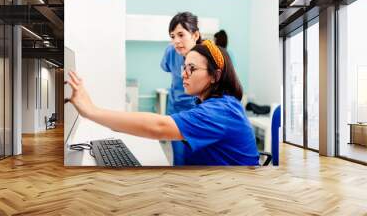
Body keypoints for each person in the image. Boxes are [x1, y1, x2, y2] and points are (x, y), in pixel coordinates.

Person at [66, 40, 260, 166]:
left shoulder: (221, 111)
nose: (183, 74)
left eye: (191, 69)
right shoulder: (216, 104)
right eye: (184, 67)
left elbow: (159, 126)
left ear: (215, 76)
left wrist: (91, 111)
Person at [160, 12, 202, 165]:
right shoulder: (171, 51)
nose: (176, 41)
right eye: (172, 36)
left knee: (196, 157)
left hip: (198, 114)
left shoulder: (206, 56)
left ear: (195, 35)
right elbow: (165, 66)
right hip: (176, 112)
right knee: (179, 159)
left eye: (181, 35)